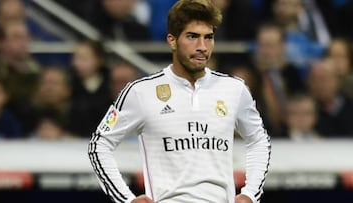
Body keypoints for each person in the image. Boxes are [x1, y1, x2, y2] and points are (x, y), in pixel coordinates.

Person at [88, 1, 271, 203]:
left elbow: (259, 141)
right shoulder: (140, 92)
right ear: (172, 40)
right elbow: (99, 145)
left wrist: (250, 194)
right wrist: (127, 199)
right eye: (192, 37)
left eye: (208, 38)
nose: (202, 47)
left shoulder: (234, 89)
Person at [307, 58, 353, 137]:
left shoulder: (350, 108)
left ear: (337, 81)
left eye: (324, 79)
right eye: (314, 79)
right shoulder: (302, 112)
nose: (319, 85)